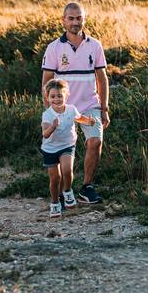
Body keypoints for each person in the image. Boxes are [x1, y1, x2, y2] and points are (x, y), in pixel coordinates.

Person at [41, 2, 110, 204]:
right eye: (71, 18)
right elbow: (46, 80)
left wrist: (104, 108)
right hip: (63, 108)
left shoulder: (94, 45)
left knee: (95, 141)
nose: (75, 22)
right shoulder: (54, 48)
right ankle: (63, 192)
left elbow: (102, 78)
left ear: (84, 20)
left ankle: (87, 187)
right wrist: (50, 111)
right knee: (62, 152)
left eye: (78, 18)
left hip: (90, 105)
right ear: (63, 21)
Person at [41, 78, 94, 218]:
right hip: (50, 149)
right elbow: (45, 134)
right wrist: (53, 126)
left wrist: (88, 121)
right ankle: (54, 203)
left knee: (67, 170)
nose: (56, 99)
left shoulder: (71, 109)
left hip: (67, 145)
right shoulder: (47, 115)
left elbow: (79, 118)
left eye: (60, 96)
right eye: (52, 96)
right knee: (55, 179)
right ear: (47, 97)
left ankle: (68, 191)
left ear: (66, 95)